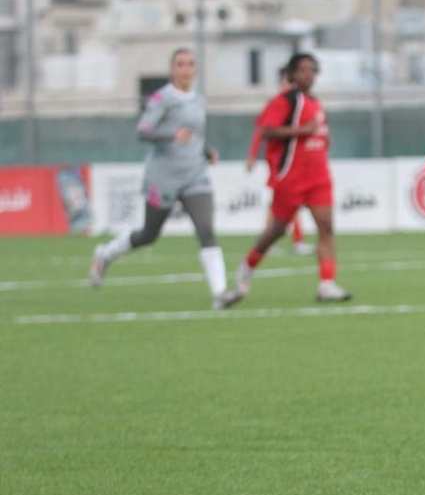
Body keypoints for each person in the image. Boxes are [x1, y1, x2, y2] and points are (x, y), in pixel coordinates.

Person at [90, 47, 243, 311]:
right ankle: (105, 254)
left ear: (196, 69)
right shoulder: (162, 98)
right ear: (172, 69)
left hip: (195, 175)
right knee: (149, 234)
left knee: (206, 229)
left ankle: (220, 293)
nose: (185, 69)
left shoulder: (198, 99)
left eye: (190, 64)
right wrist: (171, 135)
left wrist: (207, 151)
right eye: (180, 64)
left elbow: (195, 135)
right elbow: (143, 131)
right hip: (163, 177)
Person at [235, 53, 350, 302]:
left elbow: (318, 132)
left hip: (318, 176)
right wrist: (300, 131)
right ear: (292, 74)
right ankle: (247, 266)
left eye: (312, 70)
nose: (308, 74)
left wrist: (323, 139)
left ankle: (327, 284)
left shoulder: (315, 102)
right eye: (302, 70)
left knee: (326, 228)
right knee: (277, 230)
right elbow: (266, 130)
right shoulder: (286, 100)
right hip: (291, 177)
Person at [245, 65, 314, 256]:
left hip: (296, 161)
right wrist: (252, 154)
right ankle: (277, 240)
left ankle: (288, 240)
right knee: (285, 201)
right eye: (288, 81)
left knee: (288, 201)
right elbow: (261, 130)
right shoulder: (276, 103)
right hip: (280, 162)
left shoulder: (301, 102)